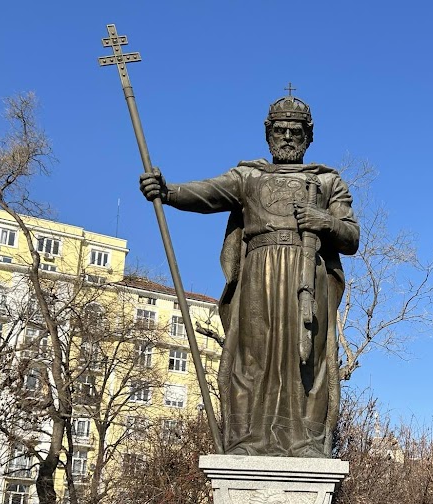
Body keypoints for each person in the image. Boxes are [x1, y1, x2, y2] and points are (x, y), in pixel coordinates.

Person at [140, 95, 359, 458]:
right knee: (251, 354)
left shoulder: (328, 181)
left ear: (309, 137)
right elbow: (207, 193)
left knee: (308, 355)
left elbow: (351, 237)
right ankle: (246, 440)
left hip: (308, 273)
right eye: (280, 130)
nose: (287, 137)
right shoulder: (249, 176)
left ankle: (305, 441)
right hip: (259, 271)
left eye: (295, 131)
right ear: (267, 133)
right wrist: (168, 191)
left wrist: (325, 222)